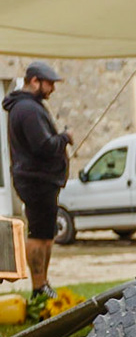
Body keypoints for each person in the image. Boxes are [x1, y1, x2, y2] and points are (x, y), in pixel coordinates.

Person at [2, 60, 71, 300]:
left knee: (46, 234)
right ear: (34, 81)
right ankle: (39, 287)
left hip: (42, 180)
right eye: (49, 83)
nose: (52, 88)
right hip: (36, 181)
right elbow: (43, 145)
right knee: (39, 235)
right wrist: (64, 137)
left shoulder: (29, 106)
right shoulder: (28, 109)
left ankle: (43, 285)